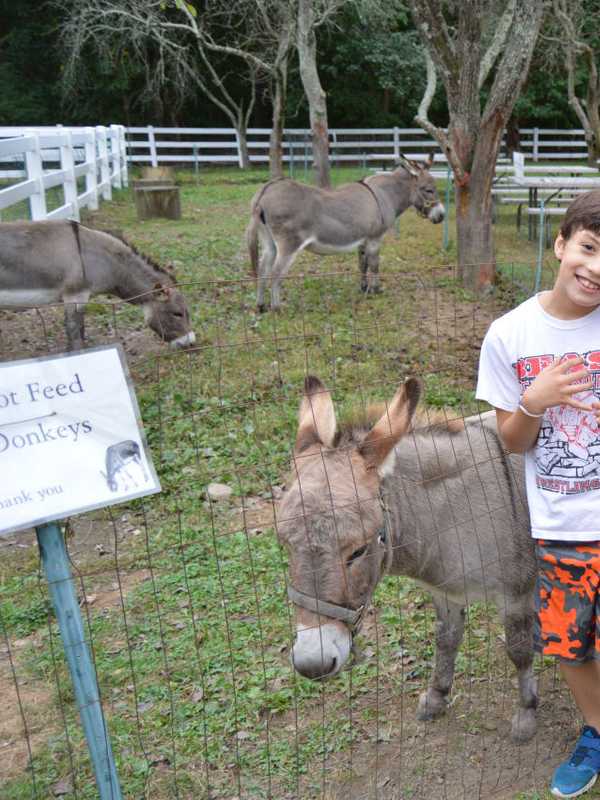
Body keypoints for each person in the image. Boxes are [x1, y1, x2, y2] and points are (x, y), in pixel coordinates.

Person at [477, 190, 600, 799]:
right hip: (562, 523)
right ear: (561, 244)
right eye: (589, 248)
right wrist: (535, 400)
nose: (596, 268)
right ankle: (596, 730)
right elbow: (512, 440)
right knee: (570, 643)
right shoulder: (510, 335)